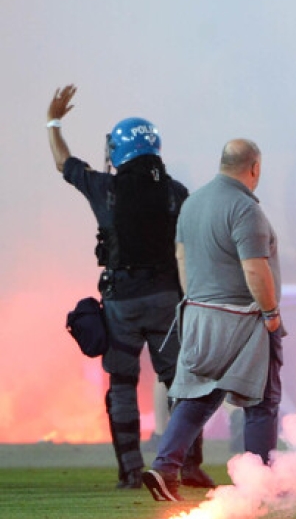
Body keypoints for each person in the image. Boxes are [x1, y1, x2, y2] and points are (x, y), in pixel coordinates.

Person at [46, 85, 213, 491]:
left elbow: (63, 163)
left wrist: (53, 122)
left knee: (122, 385)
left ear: (118, 151)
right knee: (182, 385)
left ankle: (131, 472)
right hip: (167, 301)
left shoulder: (106, 189)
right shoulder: (176, 193)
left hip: (121, 301)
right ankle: (184, 465)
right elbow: (188, 250)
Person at [143, 139, 284, 502]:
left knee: (197, 398)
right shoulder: (244, 209)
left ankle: (165, 468)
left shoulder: (192, 203)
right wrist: (270, 314)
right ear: (254, 168)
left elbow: (181, 257)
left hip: (198, 315)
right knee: (261, 402)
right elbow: (254, 268)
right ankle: (260, 485)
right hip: (243, 320)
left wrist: (199, 302)